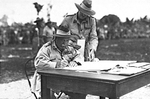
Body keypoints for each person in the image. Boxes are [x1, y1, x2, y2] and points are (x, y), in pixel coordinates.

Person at [32, 26, 85, 99]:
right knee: (47, 95)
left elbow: (79, 55)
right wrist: (56, 64)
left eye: (66, 40)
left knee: (81, 91)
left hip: (63, 80)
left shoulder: (68, 48)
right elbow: (38, 63)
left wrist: (75, 62)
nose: (64, 42)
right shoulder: (47, 48)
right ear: (55, 39)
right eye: (62, 39)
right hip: (46, 81)